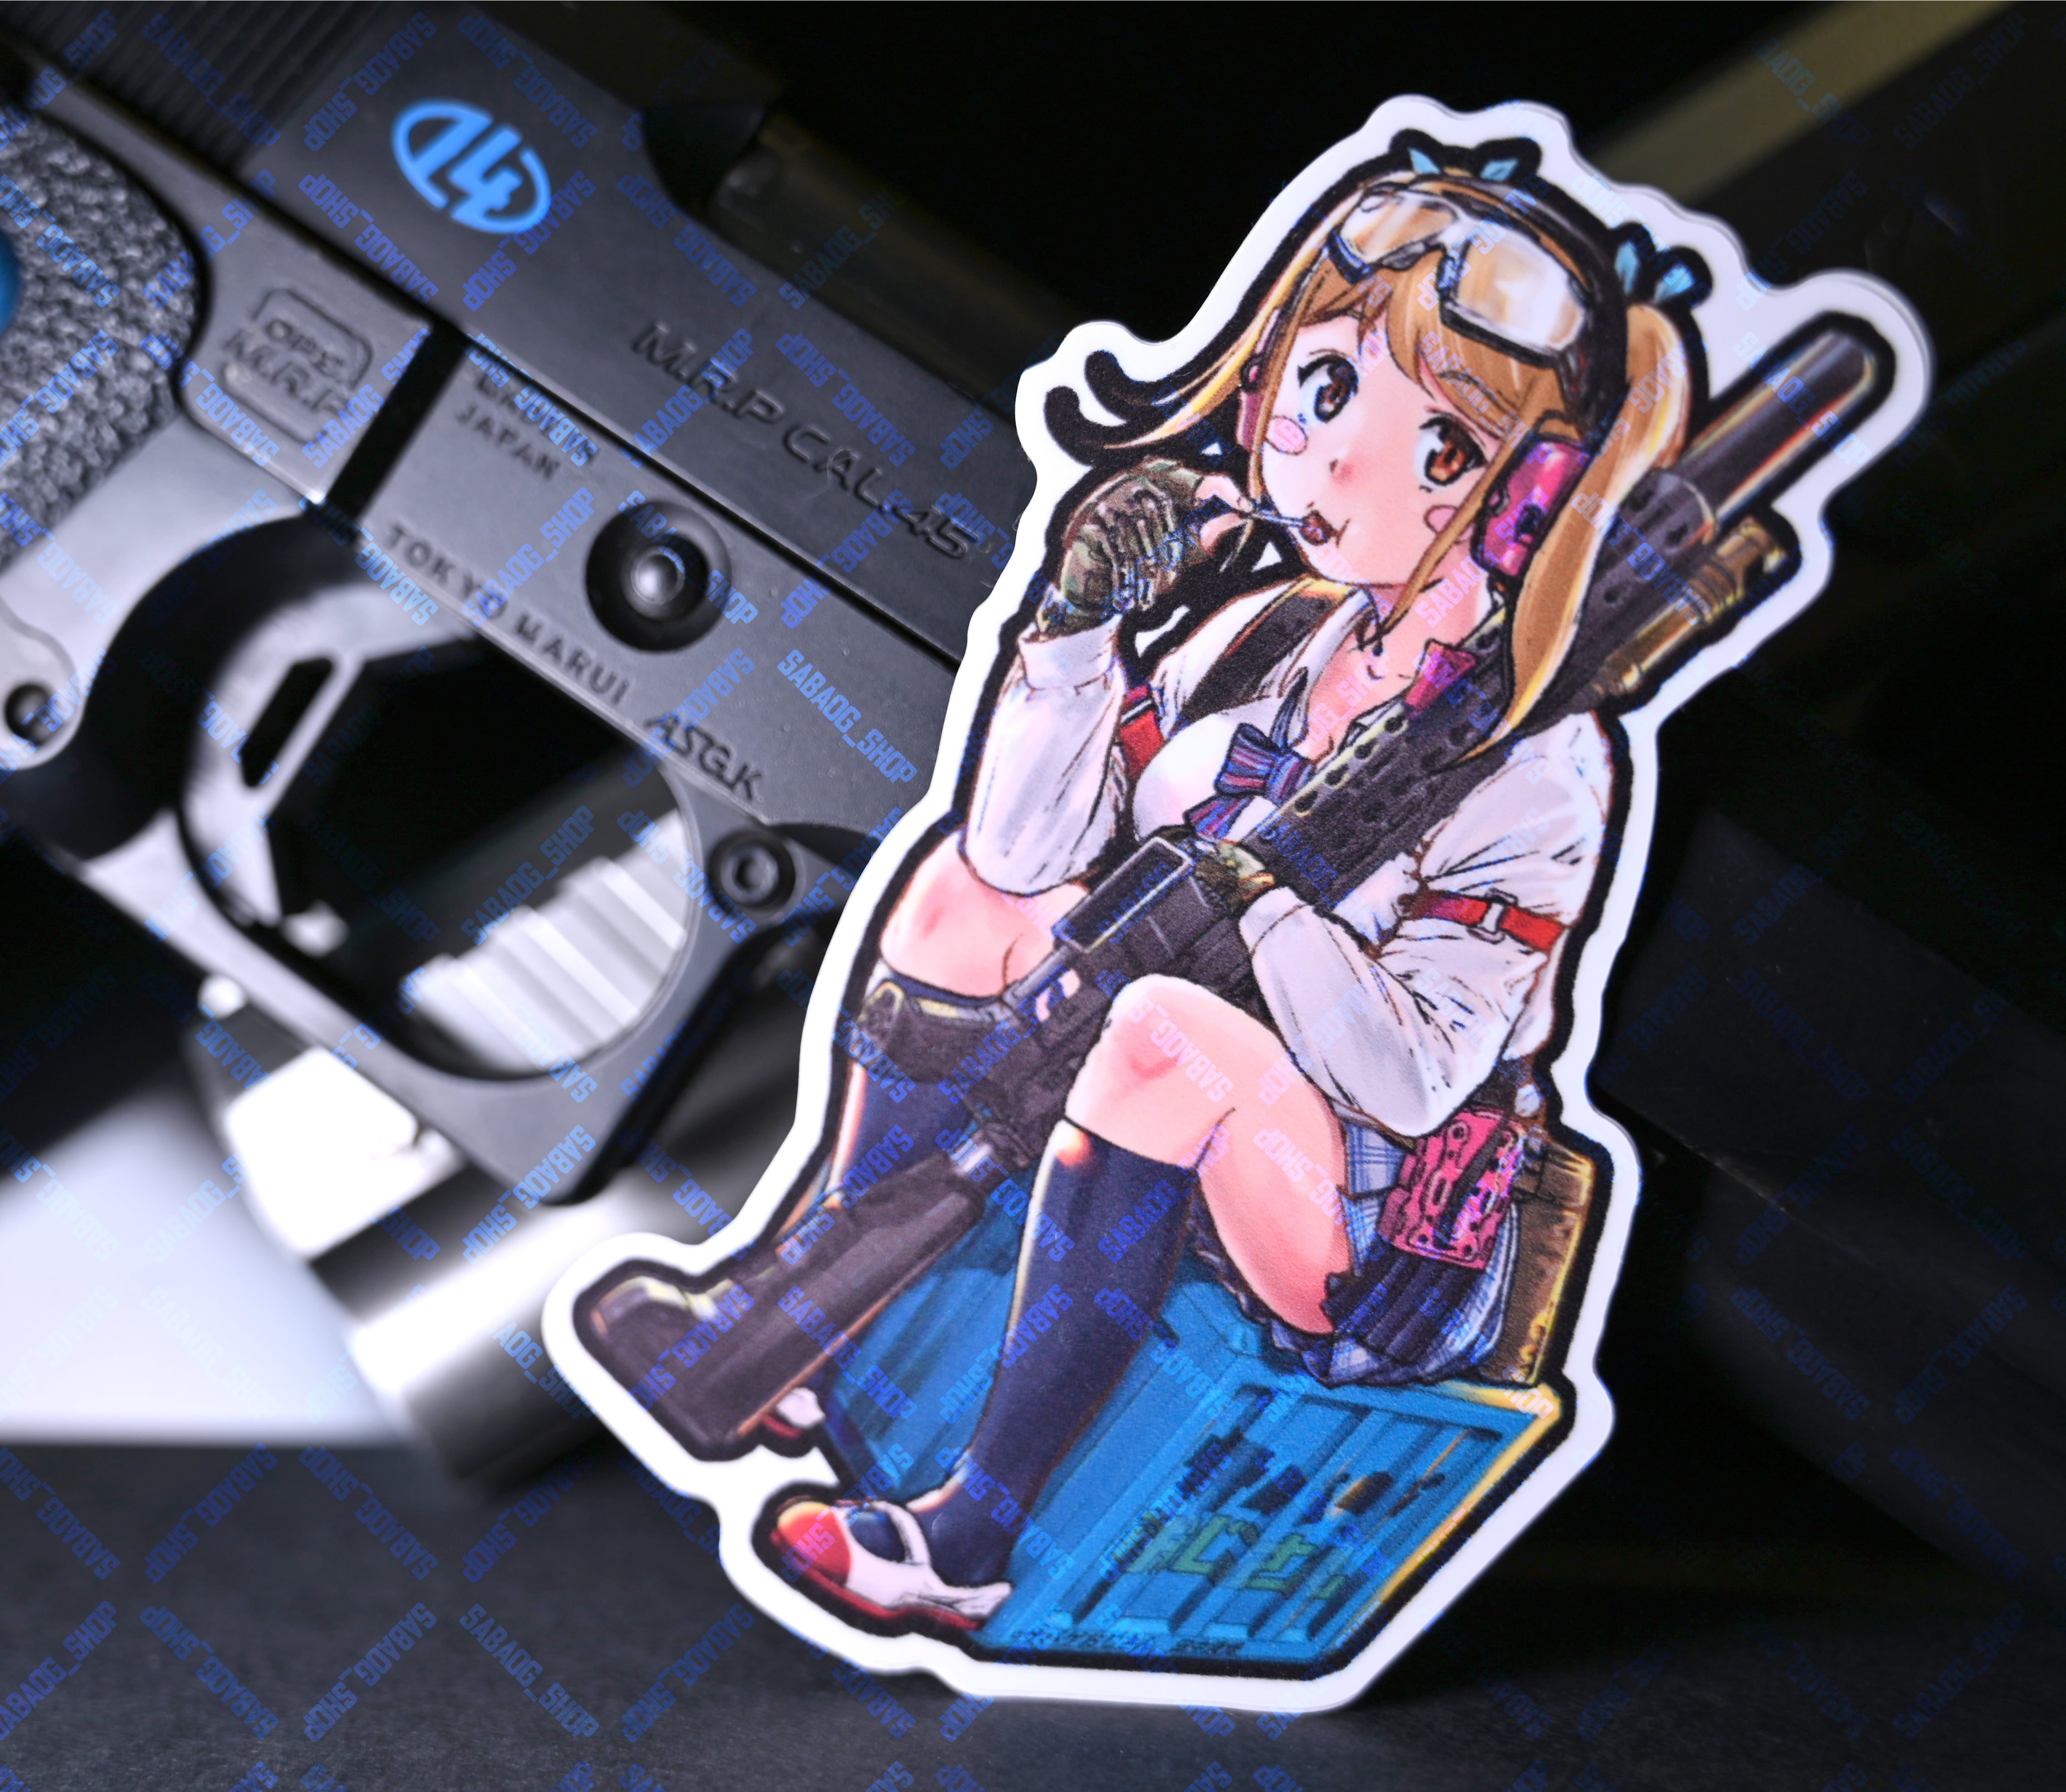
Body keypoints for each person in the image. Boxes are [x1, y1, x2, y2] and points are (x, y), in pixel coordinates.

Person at [739, 141, 1703, 1631]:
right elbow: (1018, 856)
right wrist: (1074, 629)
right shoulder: (1272, 636)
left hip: (1375, 1236)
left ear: (1530, 500)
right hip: (1153, 1115)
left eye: (1439, 448)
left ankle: (969, 1544)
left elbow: (1413, 1077)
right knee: (953, 899)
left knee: (1161, 1041)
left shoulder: (1538, 765)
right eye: (1323, 390)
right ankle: (803, 1326)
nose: (1336, 464)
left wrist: (1260, 903)